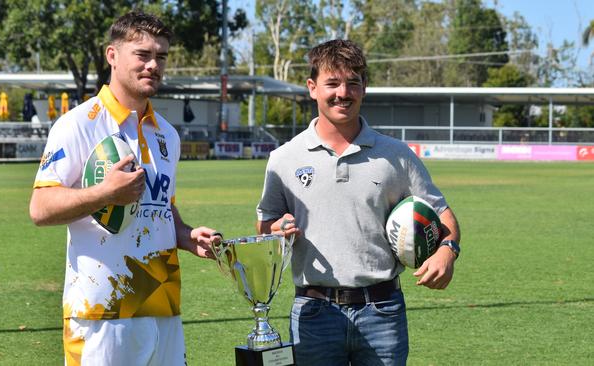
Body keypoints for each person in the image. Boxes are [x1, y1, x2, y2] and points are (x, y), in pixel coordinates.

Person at [29, 11, 220, 365]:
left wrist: (186, 234)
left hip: (163, 306)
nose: (153, 65)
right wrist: (105, 193)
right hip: (101, 312)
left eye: (161, 56)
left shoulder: (167, 133)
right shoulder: (77, 125)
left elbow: (160, 207)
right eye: (143, 55)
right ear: (112, 56)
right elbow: (40, 208)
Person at [256, 39, 461, 366]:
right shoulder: (284, 158)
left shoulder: (396, 155)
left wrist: (447, 252)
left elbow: (444, 217)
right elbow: (265, 223)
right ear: (312, 88)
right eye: (332, 83)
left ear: (364, 88)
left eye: (353, 83)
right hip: (313, 312)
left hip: (382, 309)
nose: (343, 92)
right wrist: (277, 228)